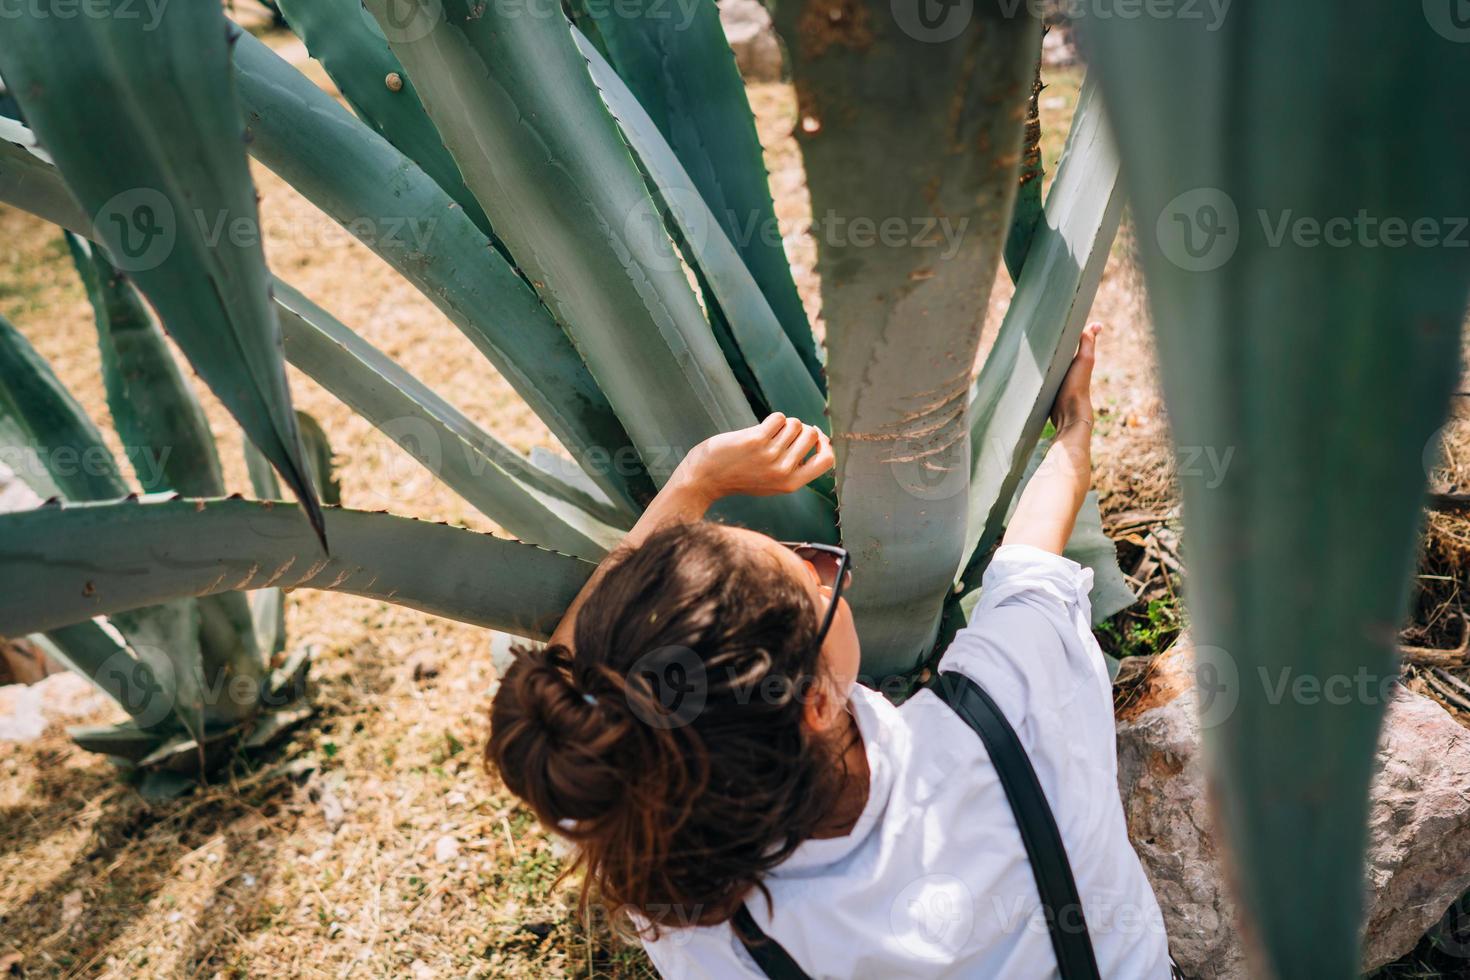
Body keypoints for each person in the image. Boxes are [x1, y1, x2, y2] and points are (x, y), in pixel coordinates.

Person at [488, 323, 1171, 977]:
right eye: (815, 573)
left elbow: (572, 682)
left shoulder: (687, 900)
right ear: (816, 701)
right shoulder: (1006, 714)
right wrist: (1076, 429)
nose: (819, 566)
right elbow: (1030, 555)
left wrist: (694, 482)